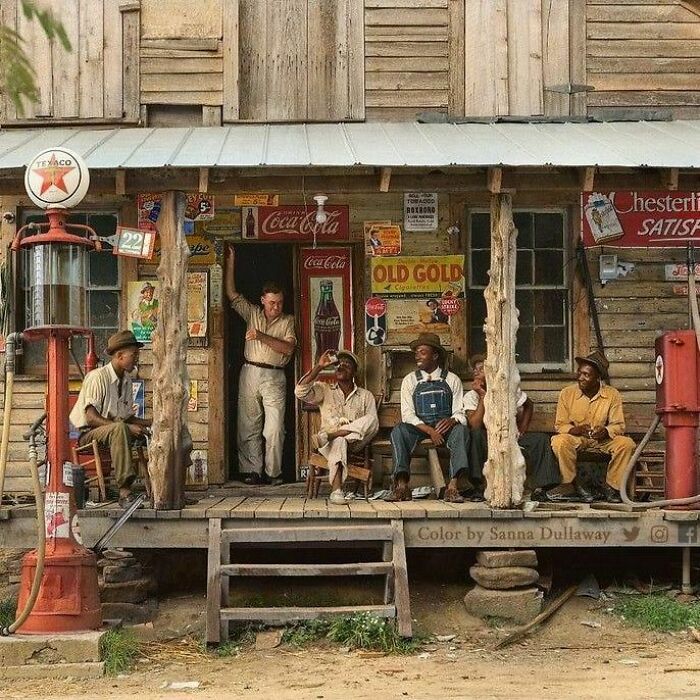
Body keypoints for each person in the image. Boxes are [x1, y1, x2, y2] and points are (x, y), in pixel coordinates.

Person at [225, 245, 297, 485]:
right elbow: (231, 293)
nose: (276, 307)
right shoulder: (253, 312)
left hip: (275, 375)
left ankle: (273, 473)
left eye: (279, 303)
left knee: (274, 428)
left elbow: (288, 348)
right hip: (249, 371)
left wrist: (261, 336)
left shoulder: (288, 321)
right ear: (263, 300)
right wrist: (232, 260)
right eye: (272, 303)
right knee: (248, 425)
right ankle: (251, 471)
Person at [69, 330, 151, 508]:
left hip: (113, 430)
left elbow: (127, 418)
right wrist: (126, 427)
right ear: (120, 356)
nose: (137, 358)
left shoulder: (128, 380)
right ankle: (125, 492)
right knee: (120, 428)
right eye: (134, 354)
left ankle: (162, 489)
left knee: (143, 427)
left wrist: (153, 422)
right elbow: (91, 417)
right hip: (87, 434)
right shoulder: (97, 377)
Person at [386, 333, 470, 503]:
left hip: (444, 430)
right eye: (416, 352)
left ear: (435, 355)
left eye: (422, 352)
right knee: (399, 431)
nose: (417, 356)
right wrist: (430, 430)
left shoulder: (452, 380)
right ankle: (402, 486)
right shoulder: (410, 380)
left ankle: (452, 487)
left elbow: (460, 412)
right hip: (420, 429)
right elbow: (408, 414)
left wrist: (452, 421)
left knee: (461, 431)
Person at [463, 354, 561, 500]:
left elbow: (529, 405)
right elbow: (475, 424)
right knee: (475, 435)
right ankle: (478, 487)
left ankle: (544, 488)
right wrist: (483, 395)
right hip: (488, 439)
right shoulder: (471, 396)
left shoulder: (508, 390)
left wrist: (522, 429)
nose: (475, 372)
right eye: (474, 370)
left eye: (481, 369)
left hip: (510, 436)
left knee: (540, 439)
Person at [547, 351, 636, 504]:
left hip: (602, 441)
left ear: (597, 378)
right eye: (579, 373)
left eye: (586, 375)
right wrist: (576, 429)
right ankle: (569, 485)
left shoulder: (612, 394)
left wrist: (606, 431)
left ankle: (612, 488)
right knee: (559, 441)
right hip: (578, 438)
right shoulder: (566, 394)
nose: (580, 377)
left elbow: (619, 425)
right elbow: (560, 425)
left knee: (627, 444)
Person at [295, 349, 378, 504]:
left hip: (355, 443)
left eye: (347, 364)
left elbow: (372, 425)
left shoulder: (366, 395)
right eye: (338, 364)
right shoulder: (325, 390)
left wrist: (341, 432)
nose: (341, 366)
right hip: (328, 444)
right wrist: (319, 367)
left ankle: (335, 434)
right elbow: (300, 392)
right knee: (340, 441)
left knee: (372, 420)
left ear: (355, 371)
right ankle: (337, 491)